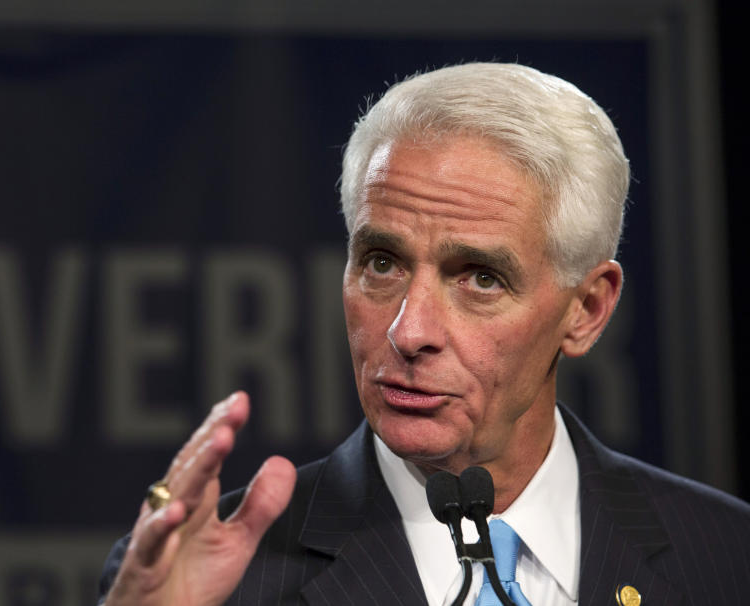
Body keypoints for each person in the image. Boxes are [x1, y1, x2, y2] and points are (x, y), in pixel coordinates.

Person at [98, 62, 750, 605]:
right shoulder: (218, 585)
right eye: (381, 263)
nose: (409, 332)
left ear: (586, 310)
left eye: (480, 278)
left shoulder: (727, 556)